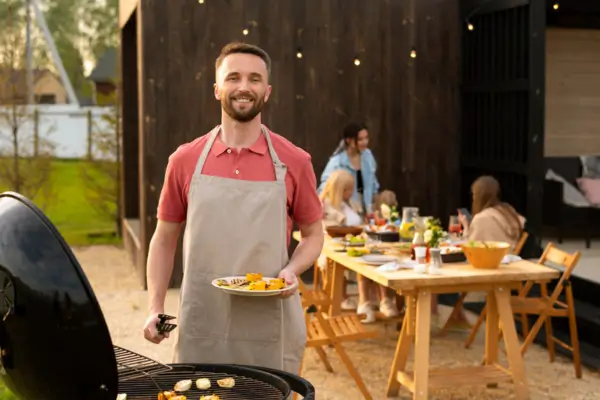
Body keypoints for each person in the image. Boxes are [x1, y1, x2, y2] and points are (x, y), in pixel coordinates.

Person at [142, 42, 324, 374]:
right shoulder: (184, 160)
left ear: (267, 92)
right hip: (203, 320)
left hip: (270, 323)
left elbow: (313, 235)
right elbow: (164, 239)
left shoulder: (295, 161)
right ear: (217, 89)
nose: (243, 87)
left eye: (255, 79)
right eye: (233, 77)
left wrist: (292, 270)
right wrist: (156, 307)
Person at [441, 175, 525, 328]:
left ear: (478, 196)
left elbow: (471, 248)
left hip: (489, 270)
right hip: (508, 266)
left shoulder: (482, 219)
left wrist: (466, 228)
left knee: (441, 278)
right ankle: (458, 317)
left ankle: (458, 316)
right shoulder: (508, 211)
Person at [318, 122, 380, 216]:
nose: (365, 142)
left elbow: (373, 185)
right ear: (348, 140)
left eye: (366, 138)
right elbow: (324, 189)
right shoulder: (337, 162)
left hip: (367, 212)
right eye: (360, 139)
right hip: (346, 215)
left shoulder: (368, 157)